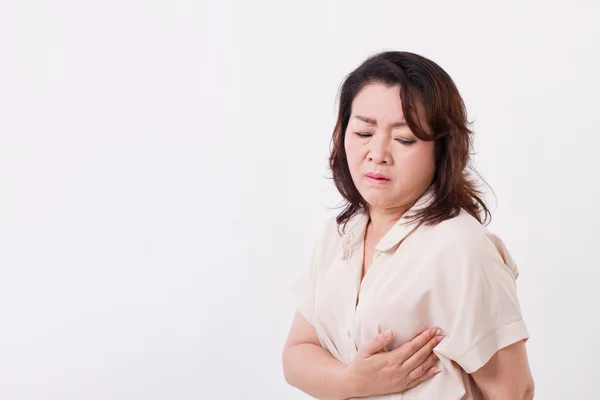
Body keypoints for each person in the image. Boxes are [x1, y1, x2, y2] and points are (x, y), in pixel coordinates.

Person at [282, 51, 535, 399]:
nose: (378, 153)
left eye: (404, 139)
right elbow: (296, 355)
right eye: (363, 131)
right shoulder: (341, 234)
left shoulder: (460, 247)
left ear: (442, 149)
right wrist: (354, 382)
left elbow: (513, 391)